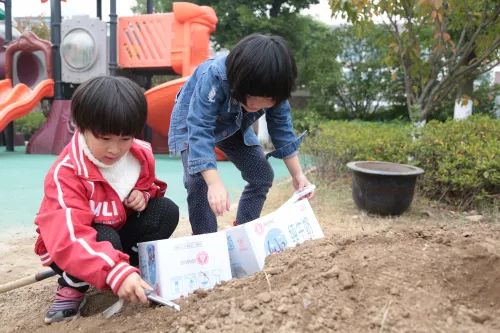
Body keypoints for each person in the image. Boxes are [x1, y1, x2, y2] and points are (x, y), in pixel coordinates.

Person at [34, 76, 179, 324]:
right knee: (105, 238)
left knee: (165, 211)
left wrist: (144, 195)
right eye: (105, 138)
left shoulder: (139, 154)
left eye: (125, 138)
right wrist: (114, 269)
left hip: (117, 233)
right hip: (72, 247)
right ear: (81, 126)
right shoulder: (67, 173)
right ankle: (72, 284)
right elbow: (70, 237)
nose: (115, 149)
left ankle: (129, 270)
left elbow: (150, 184)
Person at [169, 33, 314, 235]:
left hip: (233, 120)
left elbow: (282, 129)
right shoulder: (215, 76)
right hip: (193, 119)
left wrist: (298, 175)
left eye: (267, 102)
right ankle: (207, 242)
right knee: (198, 182)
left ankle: (243, 233)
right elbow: (200, 127)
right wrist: (214, 182)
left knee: (261, 174)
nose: (256, 107)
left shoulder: (275, 87)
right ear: (239, 81)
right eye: (253, 98)